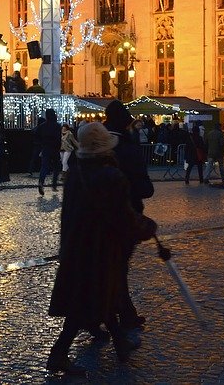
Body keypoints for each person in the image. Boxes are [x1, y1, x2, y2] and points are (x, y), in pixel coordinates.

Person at [46, 122, 155, 377]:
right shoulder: (111, 177)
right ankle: (58, 354)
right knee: (88, 301)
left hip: (77, 248)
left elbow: (68, 215)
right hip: (102, 249)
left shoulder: (74, 174)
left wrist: (66, 248)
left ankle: (120, 343)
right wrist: (146, 226)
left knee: (104, 295)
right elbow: (123, 217)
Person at [103, 100, 153, 331]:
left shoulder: (91, 150)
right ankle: (116, 316)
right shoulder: (128, 149)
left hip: (96, 221)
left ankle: (123, 313)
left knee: (108, 268)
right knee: (118, 269)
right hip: (124, 219)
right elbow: (145, 189)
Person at [38, 108, 62, 193]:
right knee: (56, 168)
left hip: (46, 148)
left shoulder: (42, 126)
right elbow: (59, 139)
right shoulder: (57, 126)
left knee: (44, 167)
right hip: (55, 149)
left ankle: (41, 182)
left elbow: (39, 137)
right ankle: (54, 185)